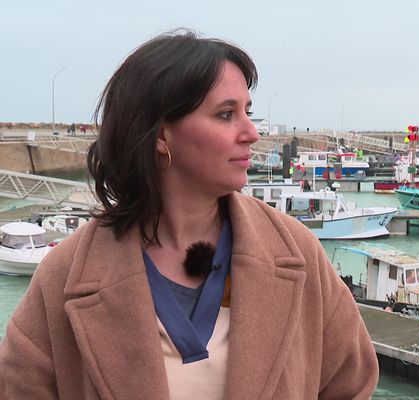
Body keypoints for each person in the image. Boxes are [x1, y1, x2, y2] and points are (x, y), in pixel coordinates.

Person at [0, 30, 377, 399]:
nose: (252, 133)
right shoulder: (64, 276)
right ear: (161, 134)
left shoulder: (298, 253)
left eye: (248, 112)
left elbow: (351, 382)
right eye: (226, 114)